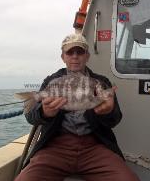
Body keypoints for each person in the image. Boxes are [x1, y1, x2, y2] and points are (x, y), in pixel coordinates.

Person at [14, 33, 139, 181]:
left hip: (95, 147)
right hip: (55, 147)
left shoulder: (101, 82)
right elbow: (30, 117)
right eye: (69, 52)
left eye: (80, 52)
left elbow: (115, 119)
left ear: (87, 56)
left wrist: (107, 112)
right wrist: (44, 112)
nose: (75, 56)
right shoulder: (51, 81)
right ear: (63, 57)